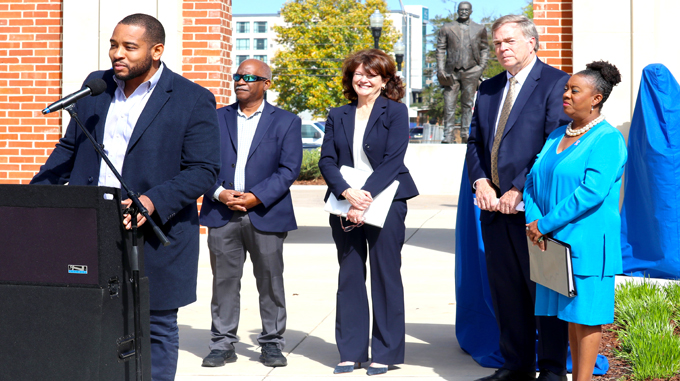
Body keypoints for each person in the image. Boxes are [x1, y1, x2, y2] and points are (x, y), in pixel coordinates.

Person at [30, 13, 221, 381]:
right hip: (91, 231)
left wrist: (151, 201)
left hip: (153, 232)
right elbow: (69, 149)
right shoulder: (94, 88)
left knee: (156, 328)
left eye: (129, 47)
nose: (117, 54)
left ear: (156, 50)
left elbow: (203, 170)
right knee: (90, 322)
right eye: (113, 45)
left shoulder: (192, 99)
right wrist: (35, 200)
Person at [465, 15, 570, 381]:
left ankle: (553, 369)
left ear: (532, 42)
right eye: (497, 43)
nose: (502, 49)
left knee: (543, 291)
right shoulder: (490, 88)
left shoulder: (556, 84)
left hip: (534, 211)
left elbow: (553, 146)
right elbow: (476, 142)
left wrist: (518, 188)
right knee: (506, 292)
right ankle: (516, 365)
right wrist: (479, 181)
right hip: (494, 211)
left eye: (509, 41)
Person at [318, 49, 419, 376]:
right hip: (344, 200)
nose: (363, 79)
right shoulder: (338, 114)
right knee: (349, 275)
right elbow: (326, 161)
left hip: (387, 199)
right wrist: (347, 194)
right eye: (358, 73)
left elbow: (393, 160)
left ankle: (386, 353)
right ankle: (351, 351)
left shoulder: (396, 111)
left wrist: (365, 198)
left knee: (385, 274)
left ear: (385, 80)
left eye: (371, 74)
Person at [525, 61, 626, 381]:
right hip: (554, 243)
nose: (565, 94)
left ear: (596, 98)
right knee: (570, 317)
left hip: (588, 243)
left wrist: (544, 224)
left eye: (574, 90)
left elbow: (591, 193)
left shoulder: (607, 139)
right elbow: (532, 181)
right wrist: (534, 221)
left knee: (586, 317)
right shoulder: (557, 133)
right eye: (566, 88)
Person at [198, 59, 302, 369]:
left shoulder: (286, 121)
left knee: (270, 281)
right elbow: (200, 163)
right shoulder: (215, 119)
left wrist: (257, 197)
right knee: (224, 282)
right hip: (222, 211)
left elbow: (289, 169)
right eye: (238, 76)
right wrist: (219, 193)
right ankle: (222, 343)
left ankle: (271, 343)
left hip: (266, 214)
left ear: (266, 84)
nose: (241, 81)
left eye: (249, 77)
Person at [436, 1, 489, 144]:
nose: (463, 12)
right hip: (451, 72)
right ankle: (448, 134)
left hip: (471, 71)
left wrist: (480, 67)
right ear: (457, 11)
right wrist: (440, 70)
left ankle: (466, 133)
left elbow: (485, 49)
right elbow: (440, 49)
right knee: (449, 104)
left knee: (467, 104)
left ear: (471, 11)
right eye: (461, 10)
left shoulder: (479, 28)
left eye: (466, 10)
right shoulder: (447, 28)